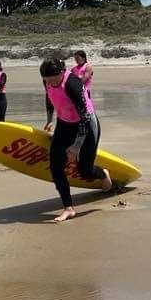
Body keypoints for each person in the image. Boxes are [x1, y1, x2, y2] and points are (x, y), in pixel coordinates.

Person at [41, 57, 112, 223]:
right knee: (55, 166)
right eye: (46, 80)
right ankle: (68, 208)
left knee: (84, 171)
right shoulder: (48, 81)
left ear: (61, 73)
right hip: (65, 124)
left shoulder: (73, 84)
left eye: (52, 79)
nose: (50, 82)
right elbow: (49, 98)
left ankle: (102, 173)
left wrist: (76, 147)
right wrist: (50, 119)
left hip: (86, 126)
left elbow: (85, 118)